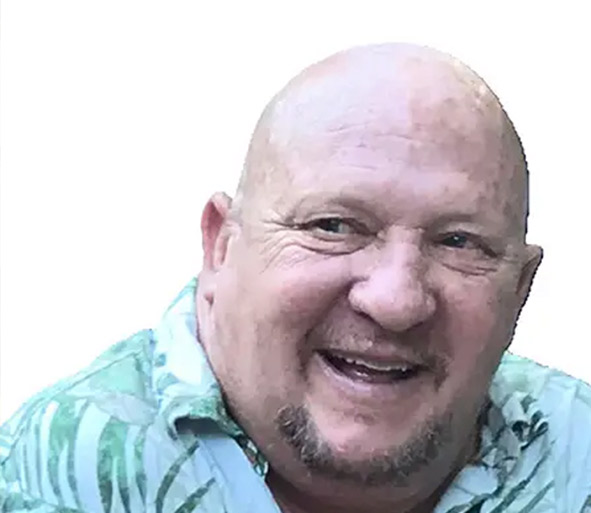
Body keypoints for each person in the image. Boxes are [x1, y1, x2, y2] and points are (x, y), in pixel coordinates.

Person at [1, 42, 590, 513]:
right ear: (221, 247)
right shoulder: (58, 480)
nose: (395, 300)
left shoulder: (578, 457)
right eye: (335, 226)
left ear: (519, 291)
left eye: (459, 242)